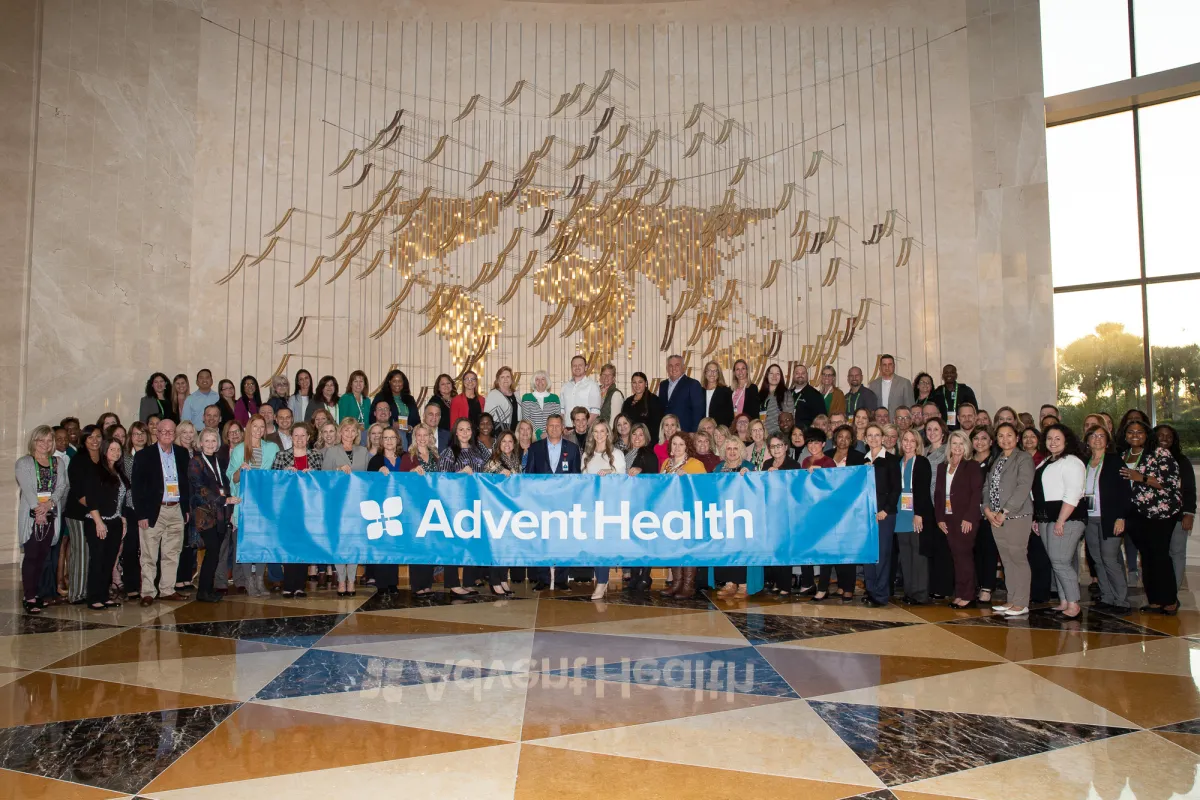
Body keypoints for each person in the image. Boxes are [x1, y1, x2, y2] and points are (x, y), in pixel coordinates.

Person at [1121, 420, 1182, 614]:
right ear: (1125, 436)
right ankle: (1155, 600)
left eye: (1140, 432)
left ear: (1147, 435)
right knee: (1146, 556)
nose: (1135, 435)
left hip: (1160, 513)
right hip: (1135, 513)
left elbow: (1169, 483)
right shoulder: (1124, 455)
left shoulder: (1160, 453)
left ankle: (1170, 600)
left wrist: (1141, 477)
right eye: (1130, 432)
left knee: (1160, 555)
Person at [131, 418, 192, 606]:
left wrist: (186, 508)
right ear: (156, 433)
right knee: (149, 554)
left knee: (172, 552)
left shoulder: (182, 454)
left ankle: (167, 589)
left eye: (171, 431)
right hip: (153, 511)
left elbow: (187, 483)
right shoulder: (144, 455)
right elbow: (137, 487)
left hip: (176, 509)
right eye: (163, 431)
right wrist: (141, 514)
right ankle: (148, 592)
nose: (167, 434)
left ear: (175, 434)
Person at [1032, 423, 1088, 619]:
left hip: (1067, 518)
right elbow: (1040, 492)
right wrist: (1038, 518)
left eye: (1057, 438)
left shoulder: (1072, 461)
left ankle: (1073, 604)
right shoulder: (1047, 461)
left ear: (1066, 440)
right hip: (1047, 518)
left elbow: (1073, 493)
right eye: (1049, 438)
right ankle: (1064, 601)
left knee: (1061, 561)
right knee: (1055, 561)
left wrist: (1061, 520)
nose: (1052, 442)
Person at [982, 422, 1036, 617]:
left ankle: (1022, 602)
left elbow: (1023, 487)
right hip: (995, 517)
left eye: (1009, 435)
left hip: (1016, 516)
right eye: (1001, 436)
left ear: (1017, 437)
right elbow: (987, 486)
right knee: (1006, 559)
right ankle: (1012, 599)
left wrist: (1004, 511)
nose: (1005, 439)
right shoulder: (997, 460)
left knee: (1018, 557)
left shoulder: (1023, 458)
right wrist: (987, 509)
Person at [525, 414, 582, 590]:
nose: (555, 428)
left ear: (563, 428)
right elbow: (528, 477)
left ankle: (560, 579)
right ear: (546, 427)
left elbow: (577, 478)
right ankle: (542, 578)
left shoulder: (572, 449)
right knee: (542, 540)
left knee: (564, 540)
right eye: (551, 426)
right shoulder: (535, 448)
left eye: (558, 425)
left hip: (564, 504)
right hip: (541, 504)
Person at [17, 426, 69, 613]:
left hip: (51, 514)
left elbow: (62, 486)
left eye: (49, 440)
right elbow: (28, 489)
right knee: (31, 556)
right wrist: (38, 509)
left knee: (43, 556)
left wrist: (49, 504)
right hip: (32, 516)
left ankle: (37, 593)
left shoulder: (58, 463)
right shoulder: (24, 462)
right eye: (41, 440)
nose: (45, 444)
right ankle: (29, 596)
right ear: (34, 441)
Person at [1081, 425, 1132, 614]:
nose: (1097, 439)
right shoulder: (1084, 462)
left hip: (1110, 518)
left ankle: (1122, 601)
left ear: (1107, 441)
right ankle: (1107, 597)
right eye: (1093, 436)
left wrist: (1121, 517)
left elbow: (1125, 492)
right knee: (1097, 560)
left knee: (1110, 558)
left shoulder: (1114, 461)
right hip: (1089, 518)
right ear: (1087, 440)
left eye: (1101, 436)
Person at [228, 415, 280, 598]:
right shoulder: (239, 450)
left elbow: (278, 474)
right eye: (255, 426)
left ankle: (259, 579)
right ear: (248, 428)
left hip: (265, 505)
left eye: (261, 427)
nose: (258, 430)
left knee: (262, 544)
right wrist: (240, 471)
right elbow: (231, 479)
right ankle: (249, 581)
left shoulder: (272, 448)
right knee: (246, 543)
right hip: (245, 504)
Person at [438, 418, 491, 595]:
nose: (465, 432)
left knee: (472, 542)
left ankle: (469, 581)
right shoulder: (449, 452)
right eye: (461, 429)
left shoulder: (479, 449)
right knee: (453, 543)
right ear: (455, 432)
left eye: (468, 429)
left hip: (476, 502)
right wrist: (460, 473)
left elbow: (491, 466)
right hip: (455, 503)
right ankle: (453, 583)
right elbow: (442, 478)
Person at [188, 428, 239, 603]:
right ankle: (203, 591)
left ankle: (207, 589)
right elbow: (199, 488)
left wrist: (228, 505)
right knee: (212, 550)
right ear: (200, 443)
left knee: (215, 553)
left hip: (221, 514)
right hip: (205, 515)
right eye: (207, 441)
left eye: (213, 440)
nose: (211, 444)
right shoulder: (196, 462)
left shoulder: (220, 461)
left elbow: (226, 483)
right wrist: (223, 499)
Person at [934, 430, 983, 609]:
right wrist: (939, 518)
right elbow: (938, 494)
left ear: (967, 446)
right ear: (950, 446)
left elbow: (976, 494)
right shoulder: (942, 466)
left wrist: (969, 517)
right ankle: (960, 592)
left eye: (961, 443)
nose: (957, 447)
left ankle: (968, 594)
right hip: (947, 517)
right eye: (954, 443)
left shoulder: (972, 466)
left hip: (965, 518)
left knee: (964, 556)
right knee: (956, 556)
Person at [321, 419, 370, 596]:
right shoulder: (331, 451)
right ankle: (341, 580)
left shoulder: (363, 451)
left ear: (357, 434)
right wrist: (337, 470)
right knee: (339, 543)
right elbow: (323, 478)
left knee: (354, 543)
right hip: (337, 505)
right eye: (346, 430)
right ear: (340, 432)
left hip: (357, 505)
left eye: (353, 430)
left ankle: (351, 580)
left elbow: (370, 476)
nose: (349, 433)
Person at [580, 420, 626, 599]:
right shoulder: (587, 455)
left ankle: (602, 581)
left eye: (602, 431)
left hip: (610, 506)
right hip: (592, 506)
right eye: (595, 431)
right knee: (594, 544)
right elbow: (583, 482)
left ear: (608, 433)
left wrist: (610, 472)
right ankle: (599, 578)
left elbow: (623, 478)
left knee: (603, 544)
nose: (599, 435)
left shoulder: (617, 454)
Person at [82, 436, 128, 610]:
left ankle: (103, 594)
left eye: (118, 450)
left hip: (115, 521)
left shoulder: (118, 471)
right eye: (112, 449)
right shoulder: (96, 471)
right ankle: (93, 597)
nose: (116, 453)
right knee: (98, 559)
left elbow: (120, 498)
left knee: (109, 560)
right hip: (97, 522)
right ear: (104, 450)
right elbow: (91, 499)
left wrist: (122, 518)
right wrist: (99, 522)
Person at [659, 432, 707, 598]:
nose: (677, 447)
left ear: (687, 447)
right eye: (674, 444)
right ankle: (676, 583)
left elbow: (704, 488)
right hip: (670, 513)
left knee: (688, 548)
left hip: (689, 513)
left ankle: (688, 585)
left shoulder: (696, 464)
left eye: (681, 444)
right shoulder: (666, 464)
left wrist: (688, 478)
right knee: (674, 547)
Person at [398, 423, 443, 595]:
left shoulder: (436, 456)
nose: (422, 438)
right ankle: (417, 585)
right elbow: (400, 481)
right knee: (417, 545)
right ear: (414, 437)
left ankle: (427, 584)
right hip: (414, 507)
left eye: (426, 435)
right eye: (419, 435)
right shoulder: (408, 456)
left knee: (430, 544)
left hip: (432, 506)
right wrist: (411, 472)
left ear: (430, 437)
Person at [863, 424, 902, 607]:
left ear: (883, 437)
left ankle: (880, 594)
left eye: (877, 435)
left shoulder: (892, 460)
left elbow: (896, 489)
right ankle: (870, 590)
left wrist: (885, 510)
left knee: (883, 555)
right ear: (865, 439)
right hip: (866, 515)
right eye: (869, 435)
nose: (873, 438)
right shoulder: (862, 461)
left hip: (884, 514)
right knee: (868, 554)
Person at [64, 424, 103, 603]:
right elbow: (79, 491)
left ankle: (91, 590)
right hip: (79, 512)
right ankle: (77, 593)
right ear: (84, 440)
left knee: (94, 553)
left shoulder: (103, 458)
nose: (95, 441)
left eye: (98, 437)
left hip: (98, 513)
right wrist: (96, 510)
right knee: (80, 552)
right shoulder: (79, 460)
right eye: (90, 437)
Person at [1154, 425, 1196, 589]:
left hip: (1178, 515)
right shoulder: (1148, 459)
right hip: (1152, 517)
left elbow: (1189, 489)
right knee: (1157, 555)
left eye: (1169, 436)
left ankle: (1174, 591)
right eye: (1160, 435)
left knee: (1177, 553)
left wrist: (1189, 514)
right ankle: (1159, 591)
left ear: (1174, 440)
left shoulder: (1182, 461)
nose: (1164, 439)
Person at [712, 438, 755, 599]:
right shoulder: (718, 468)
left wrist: (749, 476)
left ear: (741, 450)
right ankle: (730, 583)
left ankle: (743, 585)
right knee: (726, 548)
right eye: (728, 448)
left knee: (741, 549)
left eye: (735, 448)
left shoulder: (748, 467)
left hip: (743, 515)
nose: (731, 452)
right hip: (723, 515)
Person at [896, 429, 935, 605]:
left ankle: (920, 593)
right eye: (906, 440)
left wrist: (919, 514)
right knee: (905, 555)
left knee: (918, 555)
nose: (909, 443)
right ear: (901, 442)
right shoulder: (898, 462)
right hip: (900, 514)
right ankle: (909, 591)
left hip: (915, 514)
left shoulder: (921, 462)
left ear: (918, 444)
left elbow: (923, 491)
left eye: (913, 441)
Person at [482, 430, 523, 596]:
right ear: (498, 444)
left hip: (511, 511)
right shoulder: (494, 461)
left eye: (510, 441)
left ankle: (503, 579)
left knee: (507, 548)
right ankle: (494, 581)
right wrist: (498, 474)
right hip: (496, 511)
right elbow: (484, 480)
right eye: (504, 441)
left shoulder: (515, 461)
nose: (507, 444)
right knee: (496, 548)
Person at [762, 434, 802, 595]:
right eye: (773, 446)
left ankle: (786, 585)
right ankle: (777, 582)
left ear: (786, 447)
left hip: (787, 512)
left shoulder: (793, 465)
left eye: (779, 445)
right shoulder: (766, 464)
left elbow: (796, 489)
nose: (776, 449)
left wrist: (778, 474)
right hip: (770, 512)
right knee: (774, 548)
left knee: (785, 548)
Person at [971, 427, 1000, 603]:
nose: (979, 442)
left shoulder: (996, 462)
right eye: (976, 438)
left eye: (984, 438)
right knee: (974, 550)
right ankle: (978, 583)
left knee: (989, 550)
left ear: (991, 441)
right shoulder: (968, 461)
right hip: (970, 513)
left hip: (989, 513)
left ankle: (987, 587)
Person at [658, 354, 704, 432]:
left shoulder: (693, 384)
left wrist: (694, 432)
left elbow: (698, 412)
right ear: (667, 368)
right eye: (670, 366)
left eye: (677, 365)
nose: (673, 368)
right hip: (666, 433)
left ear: (683, 367)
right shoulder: (663, 385)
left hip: (685, 432)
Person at [373, 369, 420, 438]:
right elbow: (372, 416)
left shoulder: (410, 399)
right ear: (389, 382)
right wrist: (391, 424)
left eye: (400, 381)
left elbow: (417, 421)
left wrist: (409, 428)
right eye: (394, 381)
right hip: (387, 436)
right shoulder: (381, 397)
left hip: (409, 437)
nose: (397, 384)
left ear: (403, 383)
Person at [621, 371, 664, 444]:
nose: (637, 385)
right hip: (631, 441)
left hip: (648, 442)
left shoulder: (653, 400)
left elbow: (657, 426)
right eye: (634, 382)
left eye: (640, 382)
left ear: (646, 383)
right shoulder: (628, 401)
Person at [520, 370, 562, 440]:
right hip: (532, 436)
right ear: (533, 382)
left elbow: (557, 419)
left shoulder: (555, 398)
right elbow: (526, 418)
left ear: (547, 382)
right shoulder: (526, 397)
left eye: (543, 379)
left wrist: (548, 432)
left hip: (551, 435)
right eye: (537, 379)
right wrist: (539, 433)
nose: (540, 382)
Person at [786, 364, 825, 430]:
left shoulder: (815, 395)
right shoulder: (787, 394)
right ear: (793, 376)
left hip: (807, 435)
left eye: (803, 373)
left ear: (807, 375)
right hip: (789, 434)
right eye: (797, 373)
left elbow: (822, 419)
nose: (800, 375)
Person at [485, 366, 522, 432]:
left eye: (508, 377)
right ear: (498, 380)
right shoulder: (493, 394)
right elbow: (487, 416)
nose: (505, 379)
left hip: (515, 433)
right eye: (502, 377)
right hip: (499, 433)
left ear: (511, 379)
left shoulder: (516, 394)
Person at [700, 360, 734, 427]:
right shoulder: (699, 391)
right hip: (702, 430)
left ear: (718, 374)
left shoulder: (725, 391)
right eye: (709, 370)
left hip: (718, 430)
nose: (712, 373)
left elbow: (729, 416)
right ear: (705, 373)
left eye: (715, 371)